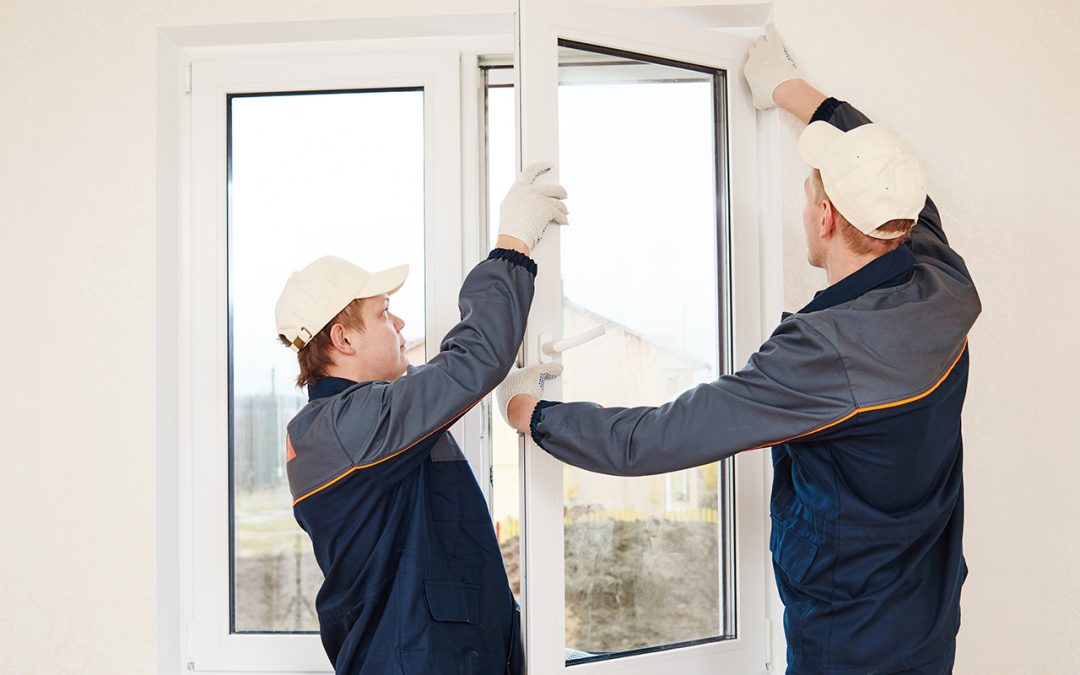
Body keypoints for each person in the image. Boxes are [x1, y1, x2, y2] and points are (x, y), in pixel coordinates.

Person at [497, 26, 980, 674]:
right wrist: (792, 90)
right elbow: (886, 168)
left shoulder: (826, 355)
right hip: (926, 621)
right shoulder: (941, 279)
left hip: (849, 648)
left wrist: (532, 414)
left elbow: (656, 438)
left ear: (826, 218)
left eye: (810, 194)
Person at [275, 162, 567, 674]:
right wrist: (513, 243)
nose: (401, 323)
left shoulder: (346, 423)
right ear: (343, 339)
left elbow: (441, 389)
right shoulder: (349, 426)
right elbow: (469, 364)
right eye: (385, 313)